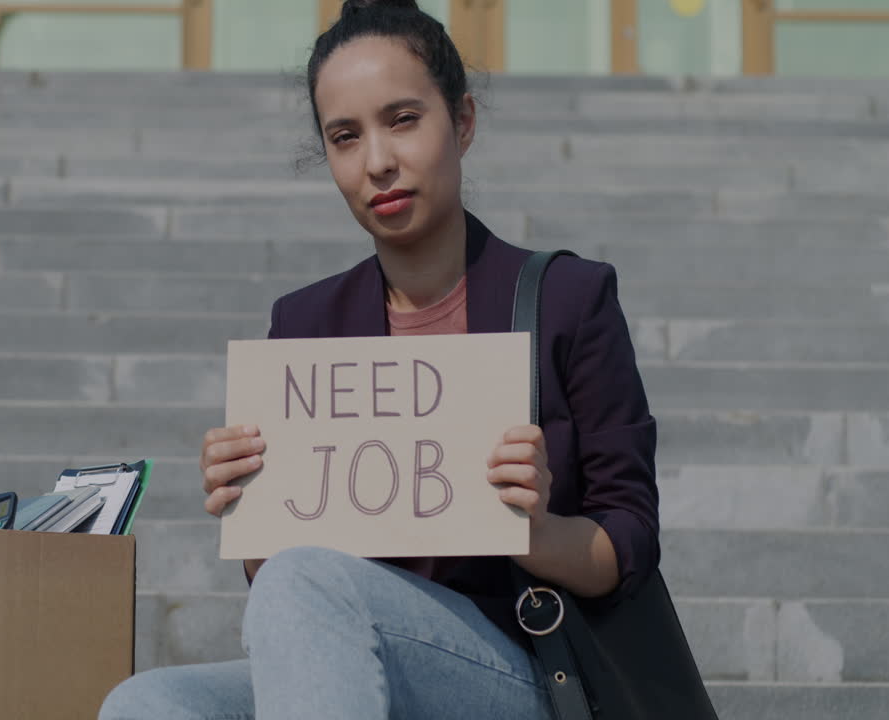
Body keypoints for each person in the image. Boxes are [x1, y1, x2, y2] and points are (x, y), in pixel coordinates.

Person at [99, 1, 658, 718]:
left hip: (526, 674)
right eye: (344, 136)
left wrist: (536, 530)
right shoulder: (304, 324)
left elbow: (630, 540)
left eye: (403, 119)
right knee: (147, 704)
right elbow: (282, 578)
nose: (378, 163)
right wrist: (254, 506)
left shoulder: (569, 300)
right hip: (351, 657)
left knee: (310, 584)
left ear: (462, 122)